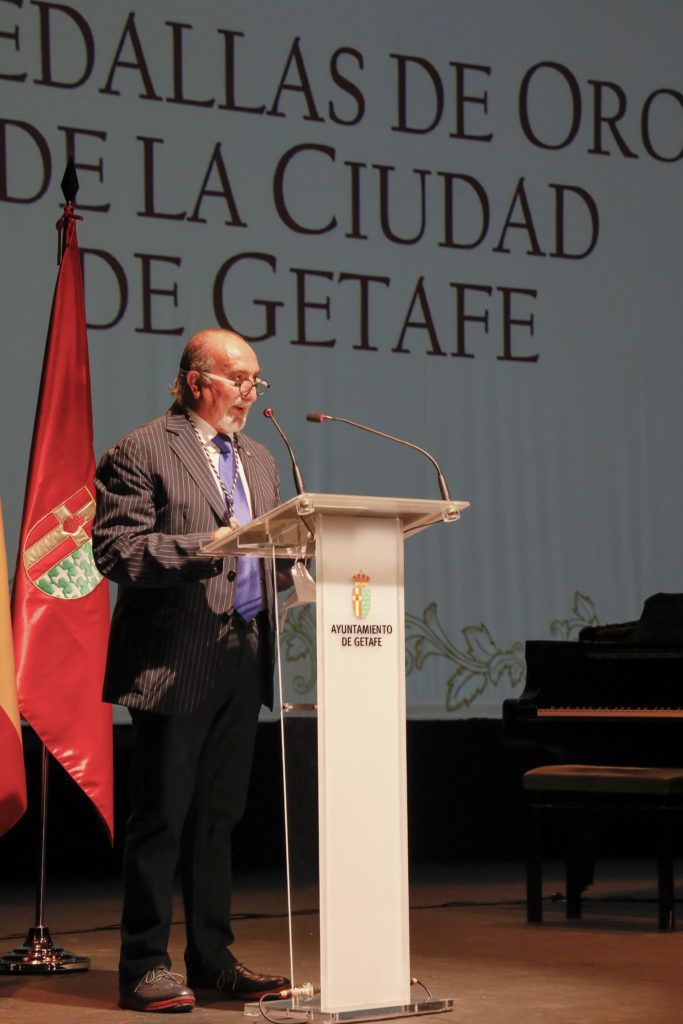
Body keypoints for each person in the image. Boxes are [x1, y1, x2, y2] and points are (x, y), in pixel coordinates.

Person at [93, 329, 291, 1013]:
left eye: (256, 382)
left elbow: (269, 549)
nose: (249, 393)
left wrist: (296, 561)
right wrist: (203, 548)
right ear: (196, 379)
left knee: (218, 819)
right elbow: (117, 553)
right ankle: (145, 964)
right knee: (163, 819)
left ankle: (212, 960)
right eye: (239, 379)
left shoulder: (260, 459)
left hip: (243, 652)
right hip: (173, 658)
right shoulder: (141, 449)